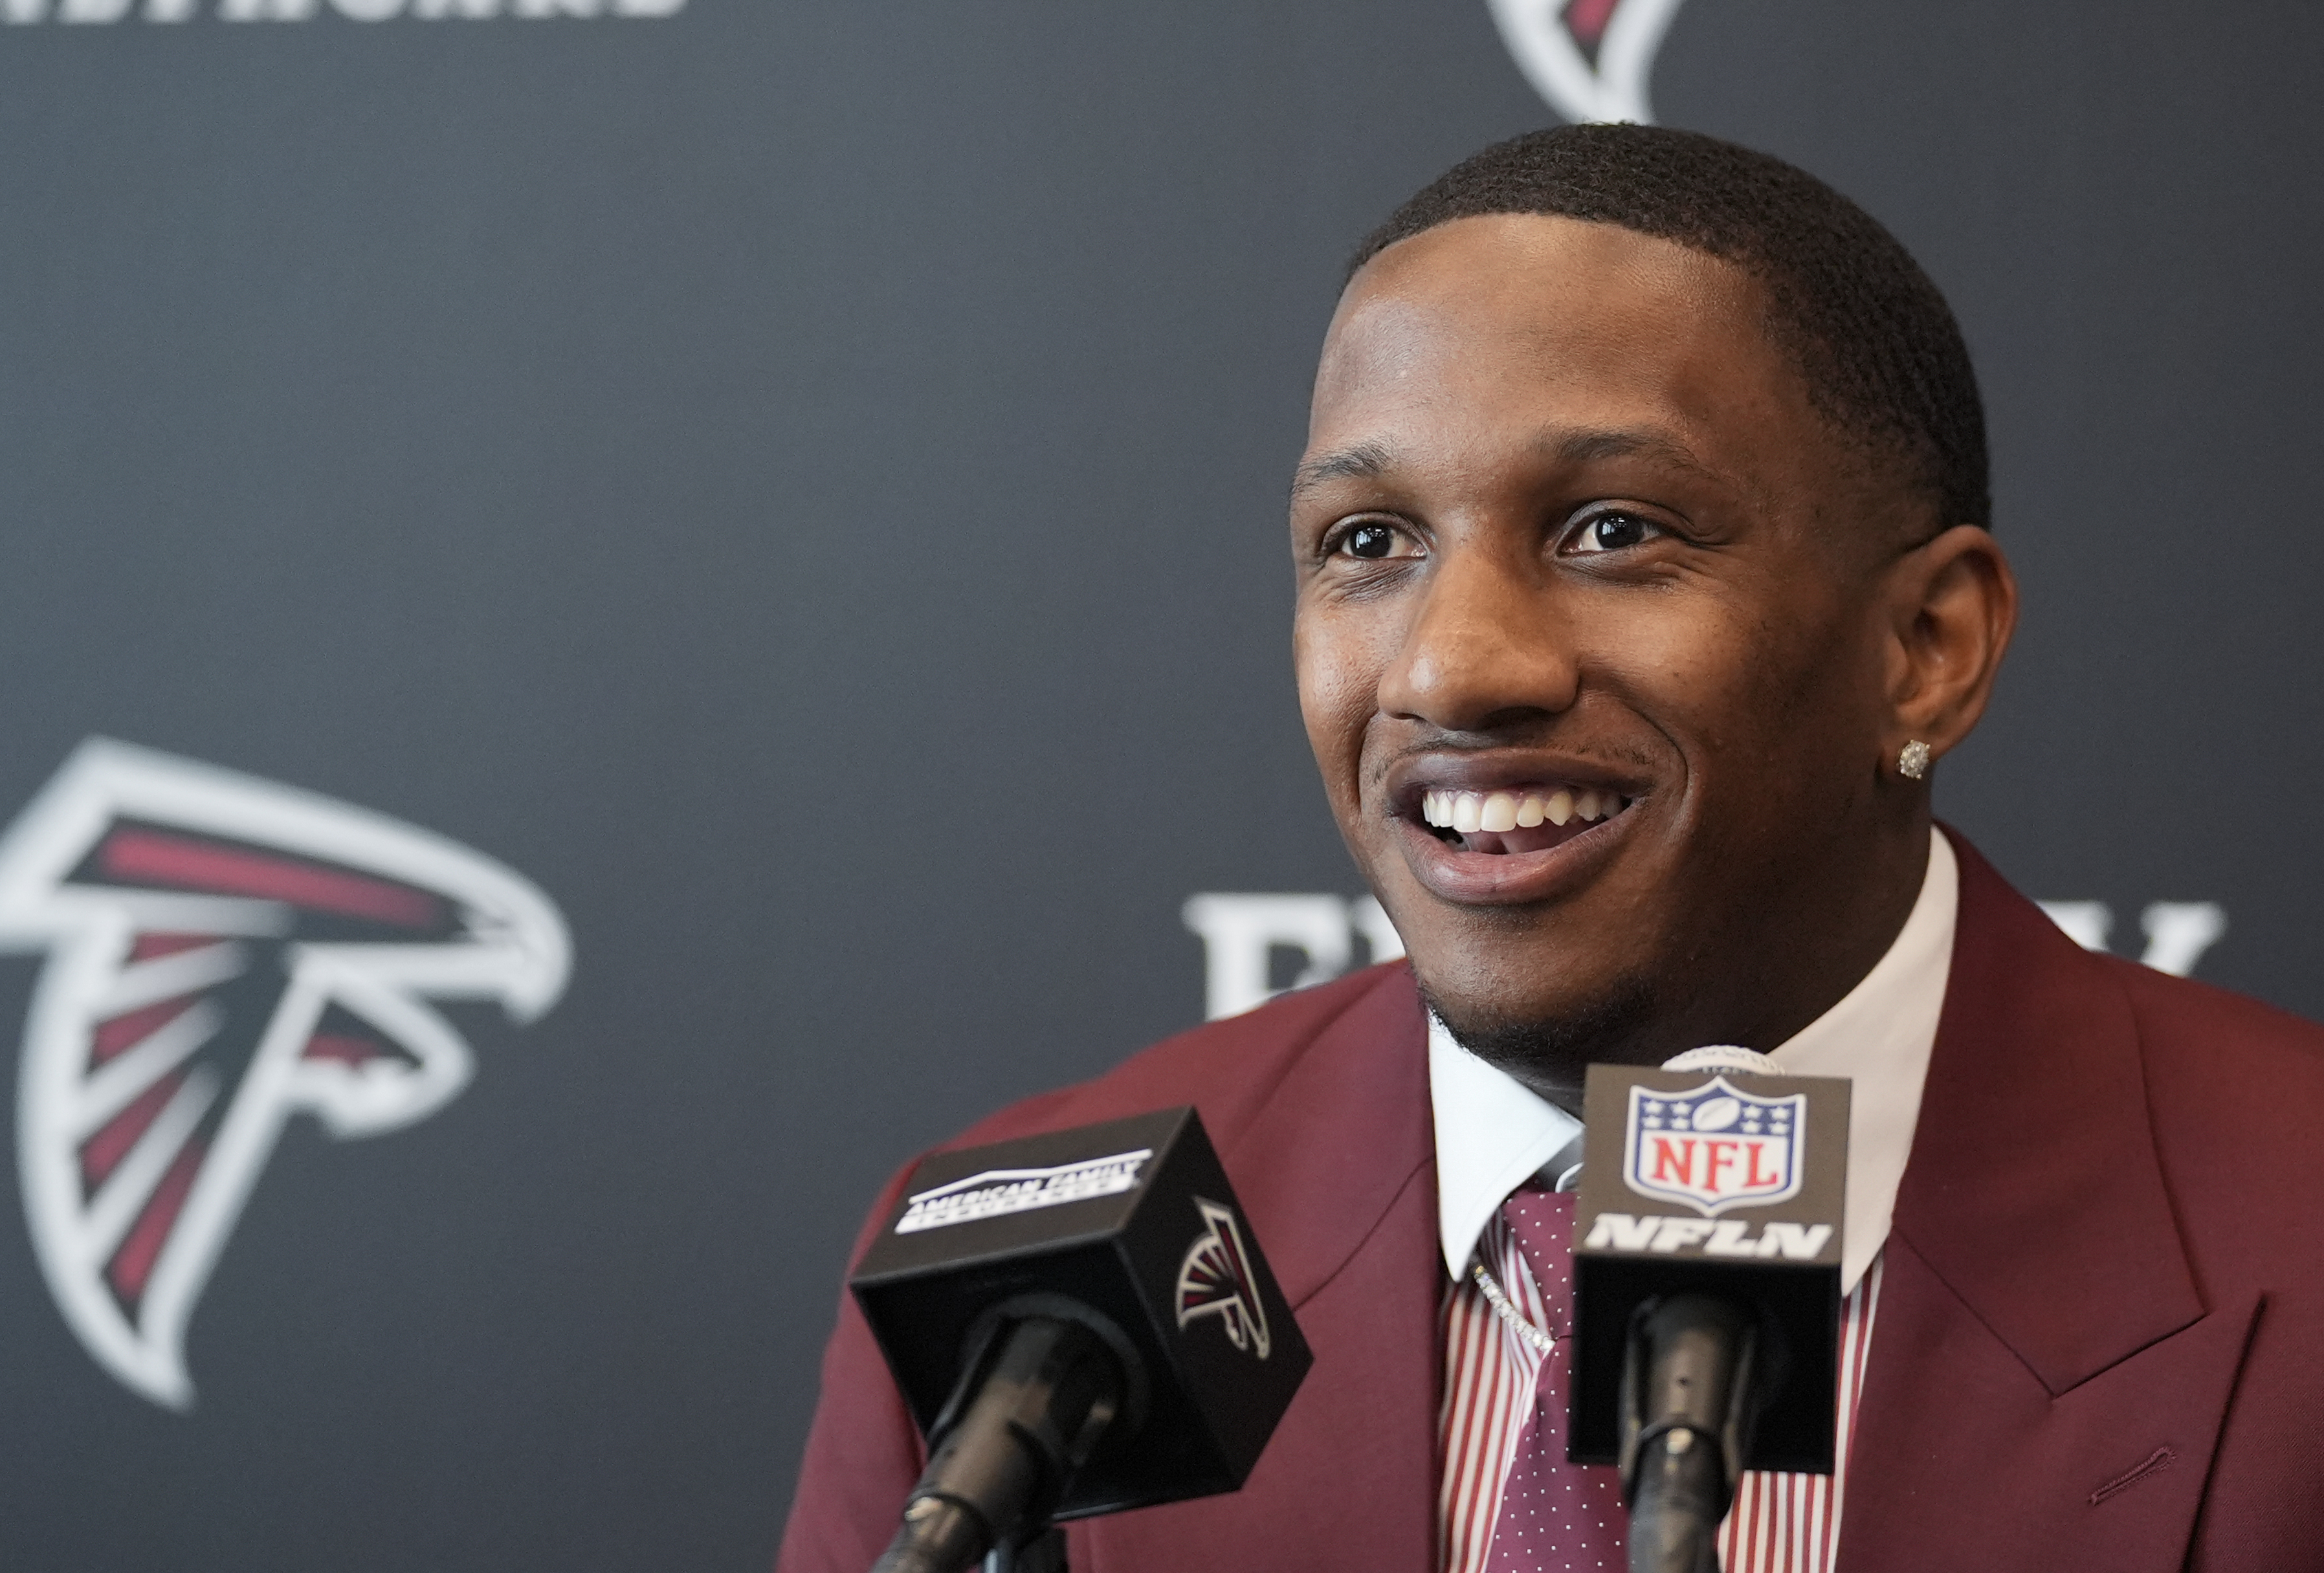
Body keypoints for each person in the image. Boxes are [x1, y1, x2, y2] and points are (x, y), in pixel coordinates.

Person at [778, 125, 2324, 1572]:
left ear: (1926, 646)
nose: (1452, 670)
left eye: (1613, 530)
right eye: (1369, 543)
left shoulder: (2289, 1218)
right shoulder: (1014, 1292)